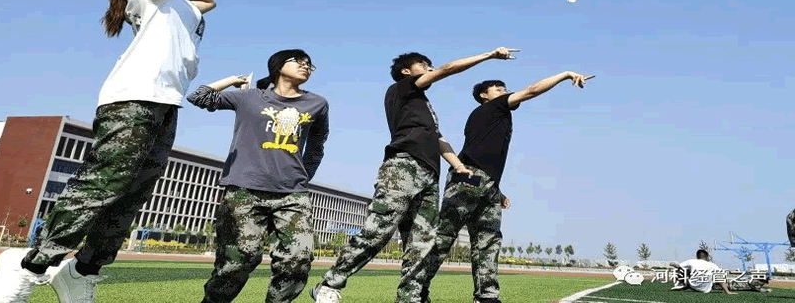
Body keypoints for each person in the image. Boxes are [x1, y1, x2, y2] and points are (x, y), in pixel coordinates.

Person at [0, 0, 216, 303]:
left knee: (131, 194)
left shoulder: (183, 7)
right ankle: (29, 264)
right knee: (103, 185)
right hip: (132, 98)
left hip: (166, 104)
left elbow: (209, 1)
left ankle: (83, 270)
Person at [311, 47, 517, 303]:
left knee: (422, 243)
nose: (430, 69)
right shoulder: (401, 89)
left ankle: (410, 298)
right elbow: (447, 70)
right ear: (407, 71)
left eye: (430, 66)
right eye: (424, 65)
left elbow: (439, 140)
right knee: (380, 230)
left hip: (430, 176)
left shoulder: (424, 106)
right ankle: (329, 283)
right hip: (402, 168)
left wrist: (459, 166)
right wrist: (488, 56)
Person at [423, 71, 590, 303]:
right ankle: (416, 288)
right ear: (485, 96)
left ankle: (487, 297)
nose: (505, 93)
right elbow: (532, 90)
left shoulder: (492, 116)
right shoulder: (494, 107)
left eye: (505, 89)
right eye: (499, 90)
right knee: (445, 236)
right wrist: (565, 75)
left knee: (488, 241)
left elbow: (481, 154)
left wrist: (495, 189)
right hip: (468, 178)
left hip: (485, 183)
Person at [187, 49, 329, 303]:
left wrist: (303, 176)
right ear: (277, 66)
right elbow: (198, 96)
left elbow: (317, 144)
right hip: (244, 190)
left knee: (297, 260)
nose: (306, 66)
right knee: (238, 261)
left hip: (292, 194)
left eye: (310, 64)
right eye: (299, 61)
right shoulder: (249, 98)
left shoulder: (317, 104)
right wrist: (233, 80)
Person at [669, 249, 735, 294]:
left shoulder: (692, 261)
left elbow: (678, 266)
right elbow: (721, 277)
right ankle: (727, 291)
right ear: (707, 257)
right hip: (705, 289)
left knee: (682, 269)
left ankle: (682, 285)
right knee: (716, 275)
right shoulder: (712, 265)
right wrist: (727, 288)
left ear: (697, 256)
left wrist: (672, 263)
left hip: (693, 285)